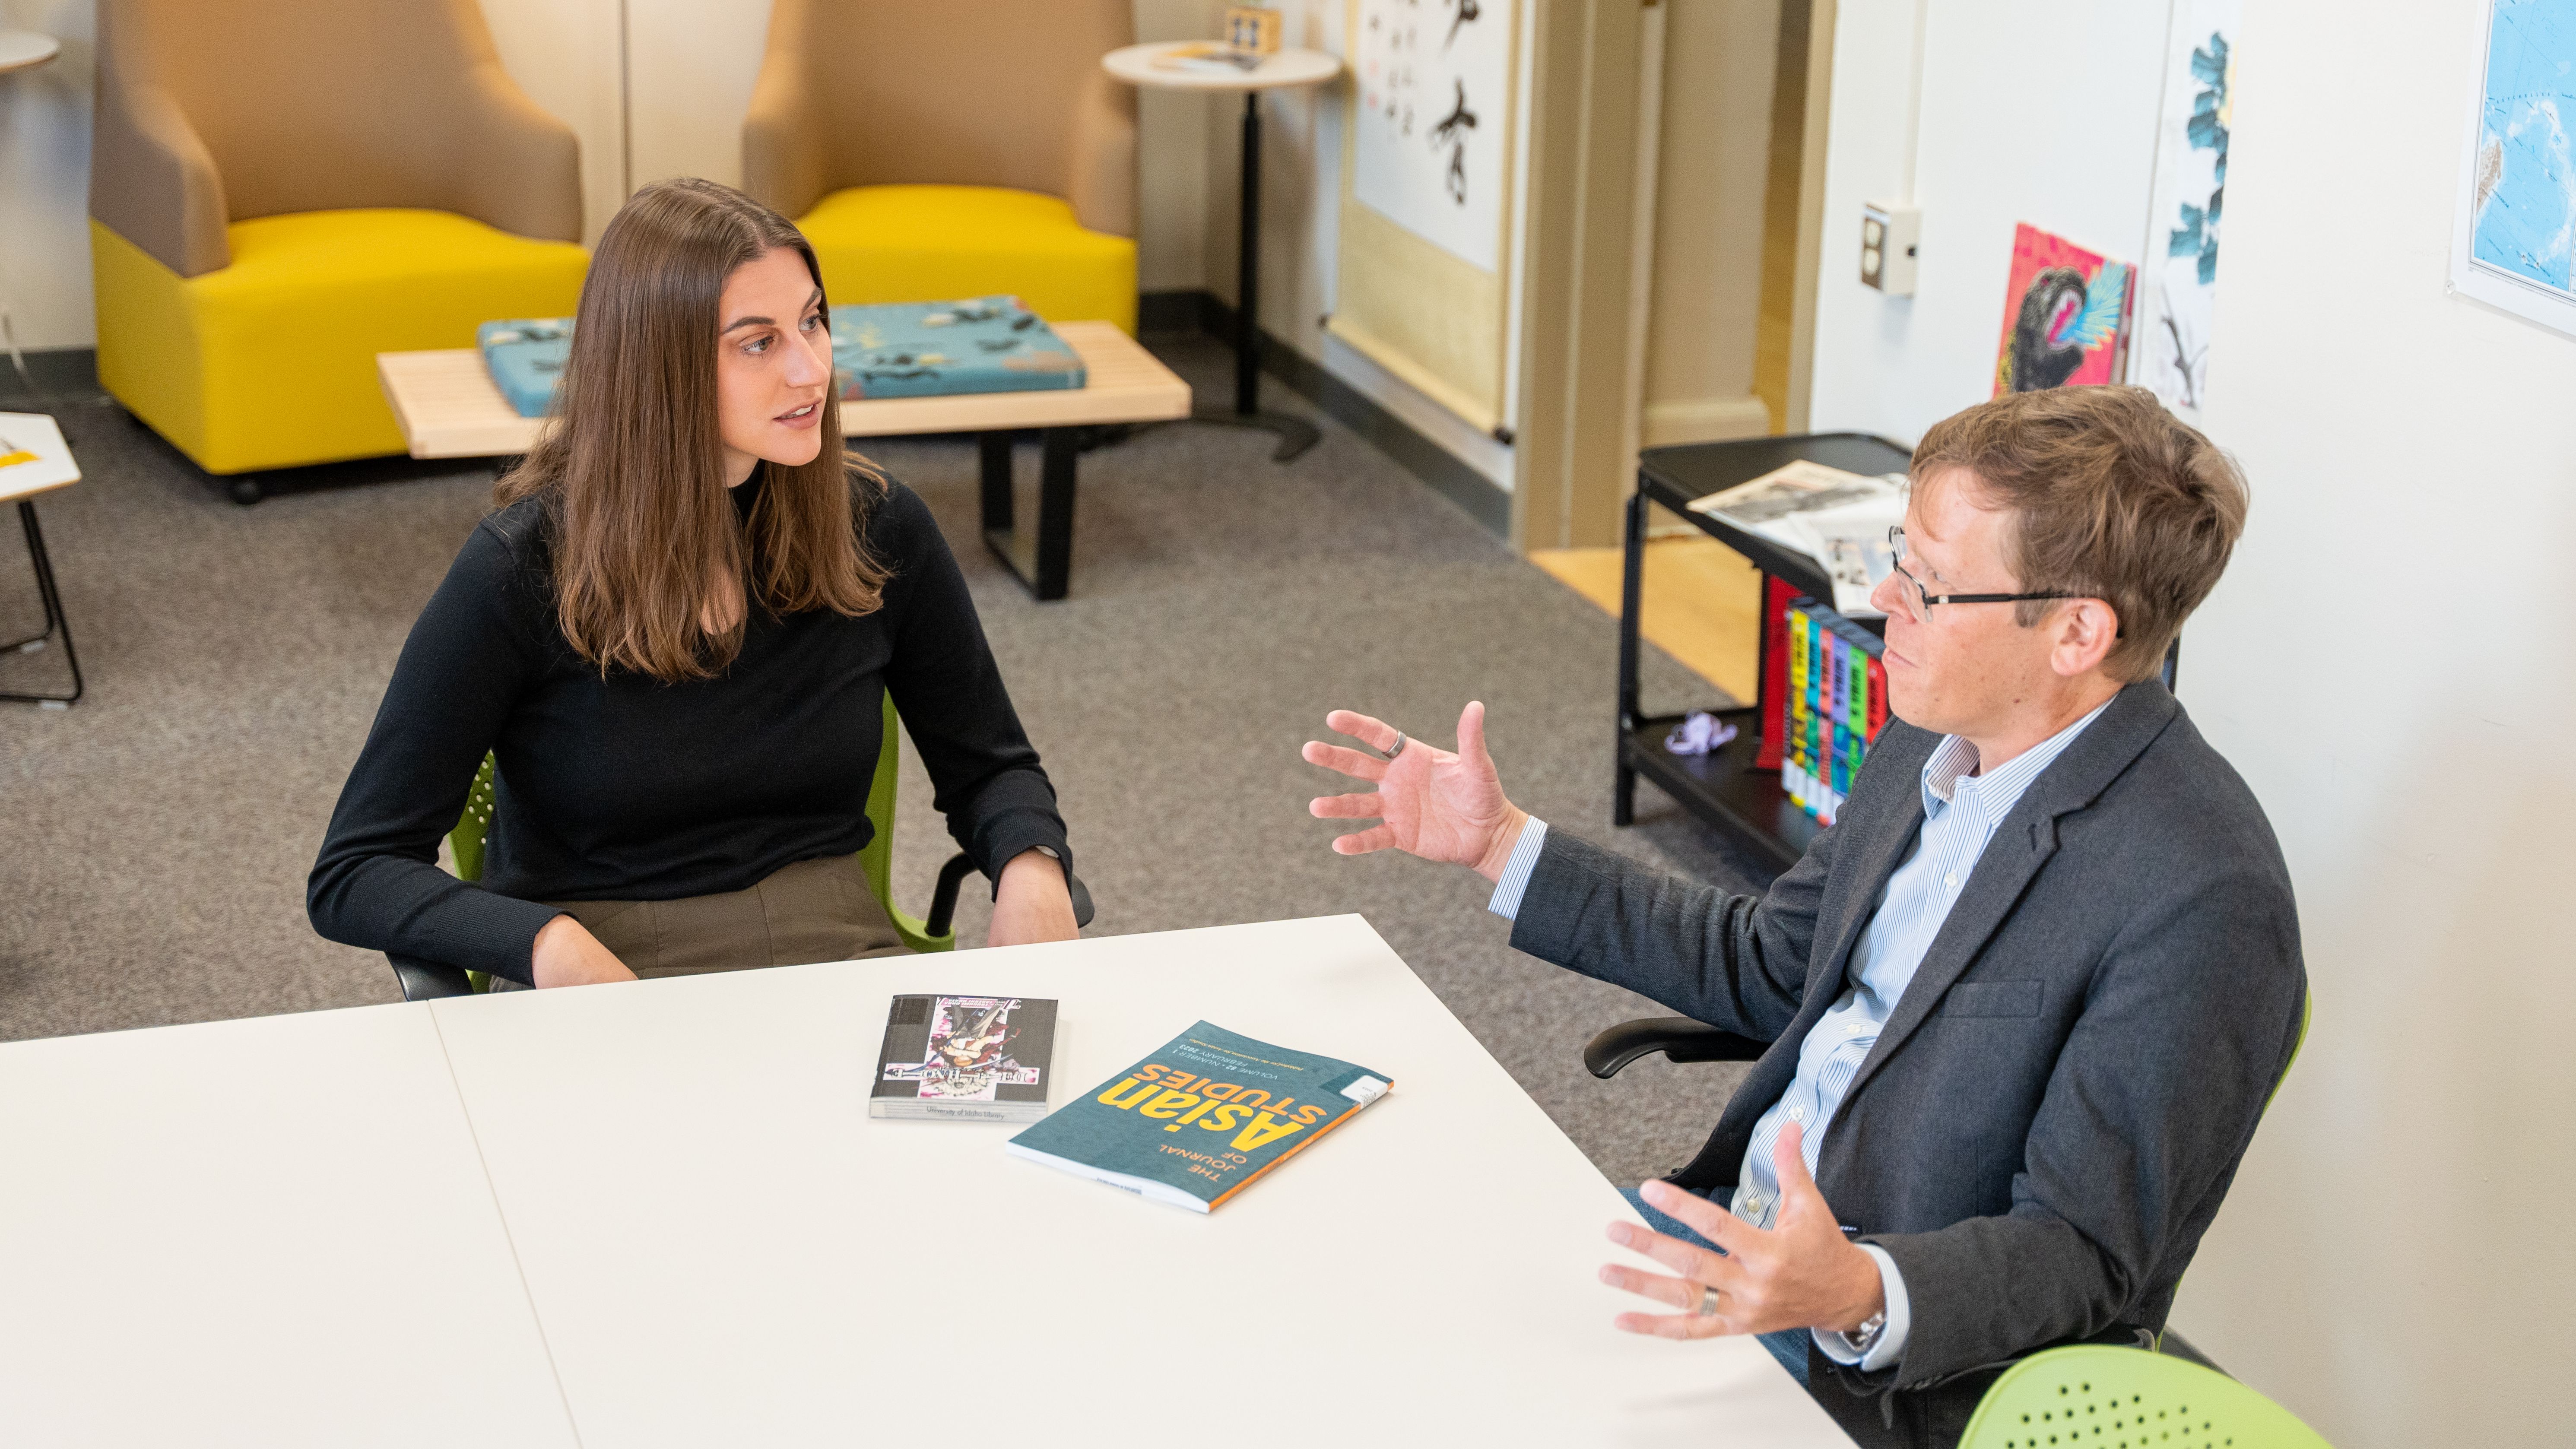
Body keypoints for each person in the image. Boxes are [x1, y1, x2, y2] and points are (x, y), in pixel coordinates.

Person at [1301, 386, 2304, 1447]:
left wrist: (1854, 1289)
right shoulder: (1938, 730)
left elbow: (2086, 1251)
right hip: (1741, 1243)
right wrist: (1502, 843)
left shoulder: (2203, 896)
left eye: (1931, 584)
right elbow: (1778, 960)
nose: (1883, 598)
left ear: (2075, 631)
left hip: (1883, 1369)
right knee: (1391, 1333)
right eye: (1898, 559)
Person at [310, 179, 1079, 988]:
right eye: (758, 342)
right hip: (608, 976)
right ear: (658, 365)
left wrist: (1031, 860)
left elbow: (991, 765)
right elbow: (358, 868)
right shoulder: (524, 566)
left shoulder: (876, 525)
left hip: (835, 957)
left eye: (812, 321)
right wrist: (543, 943)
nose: (811, 369)